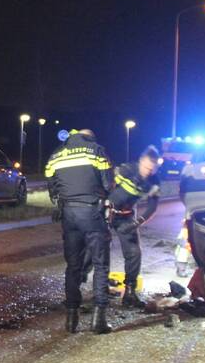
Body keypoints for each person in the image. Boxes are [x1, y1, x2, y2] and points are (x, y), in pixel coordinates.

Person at [46, 128, 113, 334]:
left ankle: (71, 320)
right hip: (91, 211)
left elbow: (52, 188)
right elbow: (108, 183)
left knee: (73, 266)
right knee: (100, 264)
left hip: (68, 214)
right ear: (89, 138)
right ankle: (98, 320)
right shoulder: (96, 150)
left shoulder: (55, 155)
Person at [107, 145, 161, 308]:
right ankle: (99, 288)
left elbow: (152, 207)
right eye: (146, 168)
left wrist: (136, 223)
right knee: (98, 251)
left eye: (152, 169)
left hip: (126, 216)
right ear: (140, 162)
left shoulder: (154, 181)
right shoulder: (126, 170)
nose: (148, 172)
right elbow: (105, 186)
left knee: (134, 253)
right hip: (107, 213)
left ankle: (129, 293)